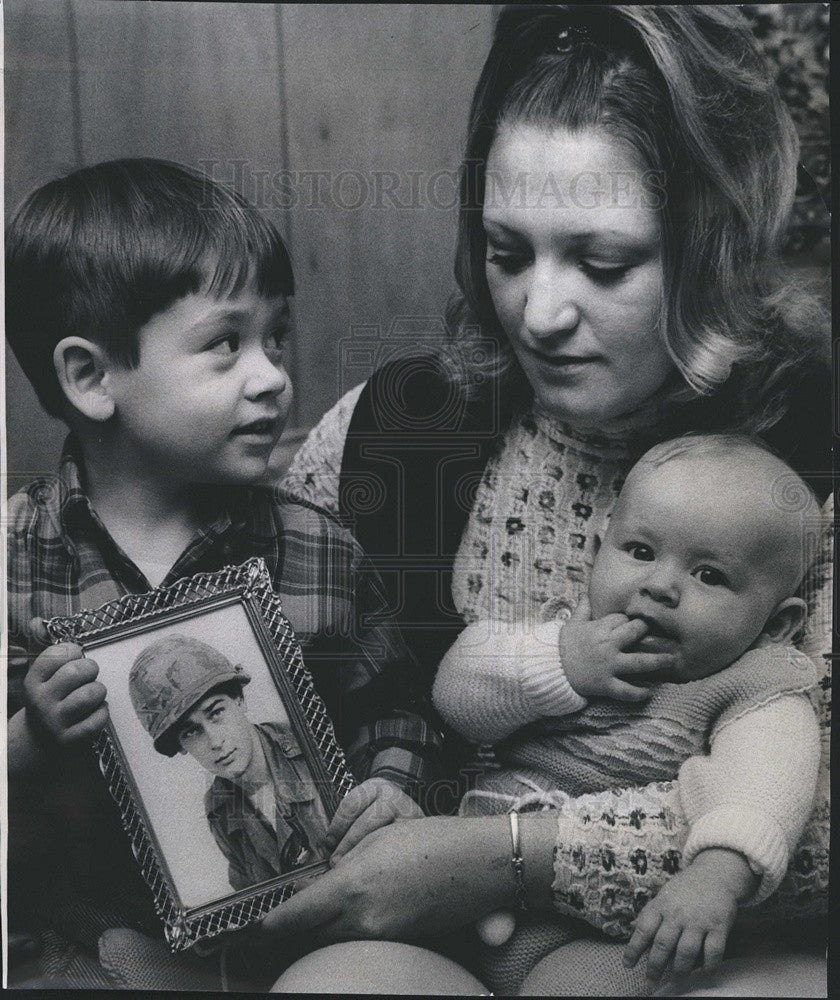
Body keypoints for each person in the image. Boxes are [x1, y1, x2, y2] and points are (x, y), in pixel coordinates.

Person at [273, 5, 831, 995]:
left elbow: (810, 815)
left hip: (673, 948)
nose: (539, 311)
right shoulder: (398, 426)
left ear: (714, 249)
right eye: (506, 252)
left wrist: (499, 854)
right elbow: (272, 660)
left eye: (602, 262)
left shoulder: (809, 469)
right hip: (425, 944)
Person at [5, 158, 436, 988]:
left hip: (309, 932)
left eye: (276, 336)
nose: (273, 375)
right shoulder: (14, 562)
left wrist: (393, 783)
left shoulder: (317, 548)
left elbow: (396, 708)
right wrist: (29, 740)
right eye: (225, 344)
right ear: (92, 378)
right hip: (83, 942)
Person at [433, 434, 820, 983]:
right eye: (640, 552)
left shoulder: (751, 685)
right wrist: (558, 662)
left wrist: (718, 873)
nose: (660, 586)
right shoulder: (569, 633)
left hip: (599, 930)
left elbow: (767, 781)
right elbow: (456, 696)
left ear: (777, 624)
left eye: (708, 575)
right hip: (451, 878)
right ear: (596, 551)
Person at [129, 634, 331, 891]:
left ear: (240, 700)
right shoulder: (219, 808)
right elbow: (254, 900)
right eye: (191, 732)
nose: (214, 741)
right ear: (180, 747)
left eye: (216, 713)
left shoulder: (312, 743)